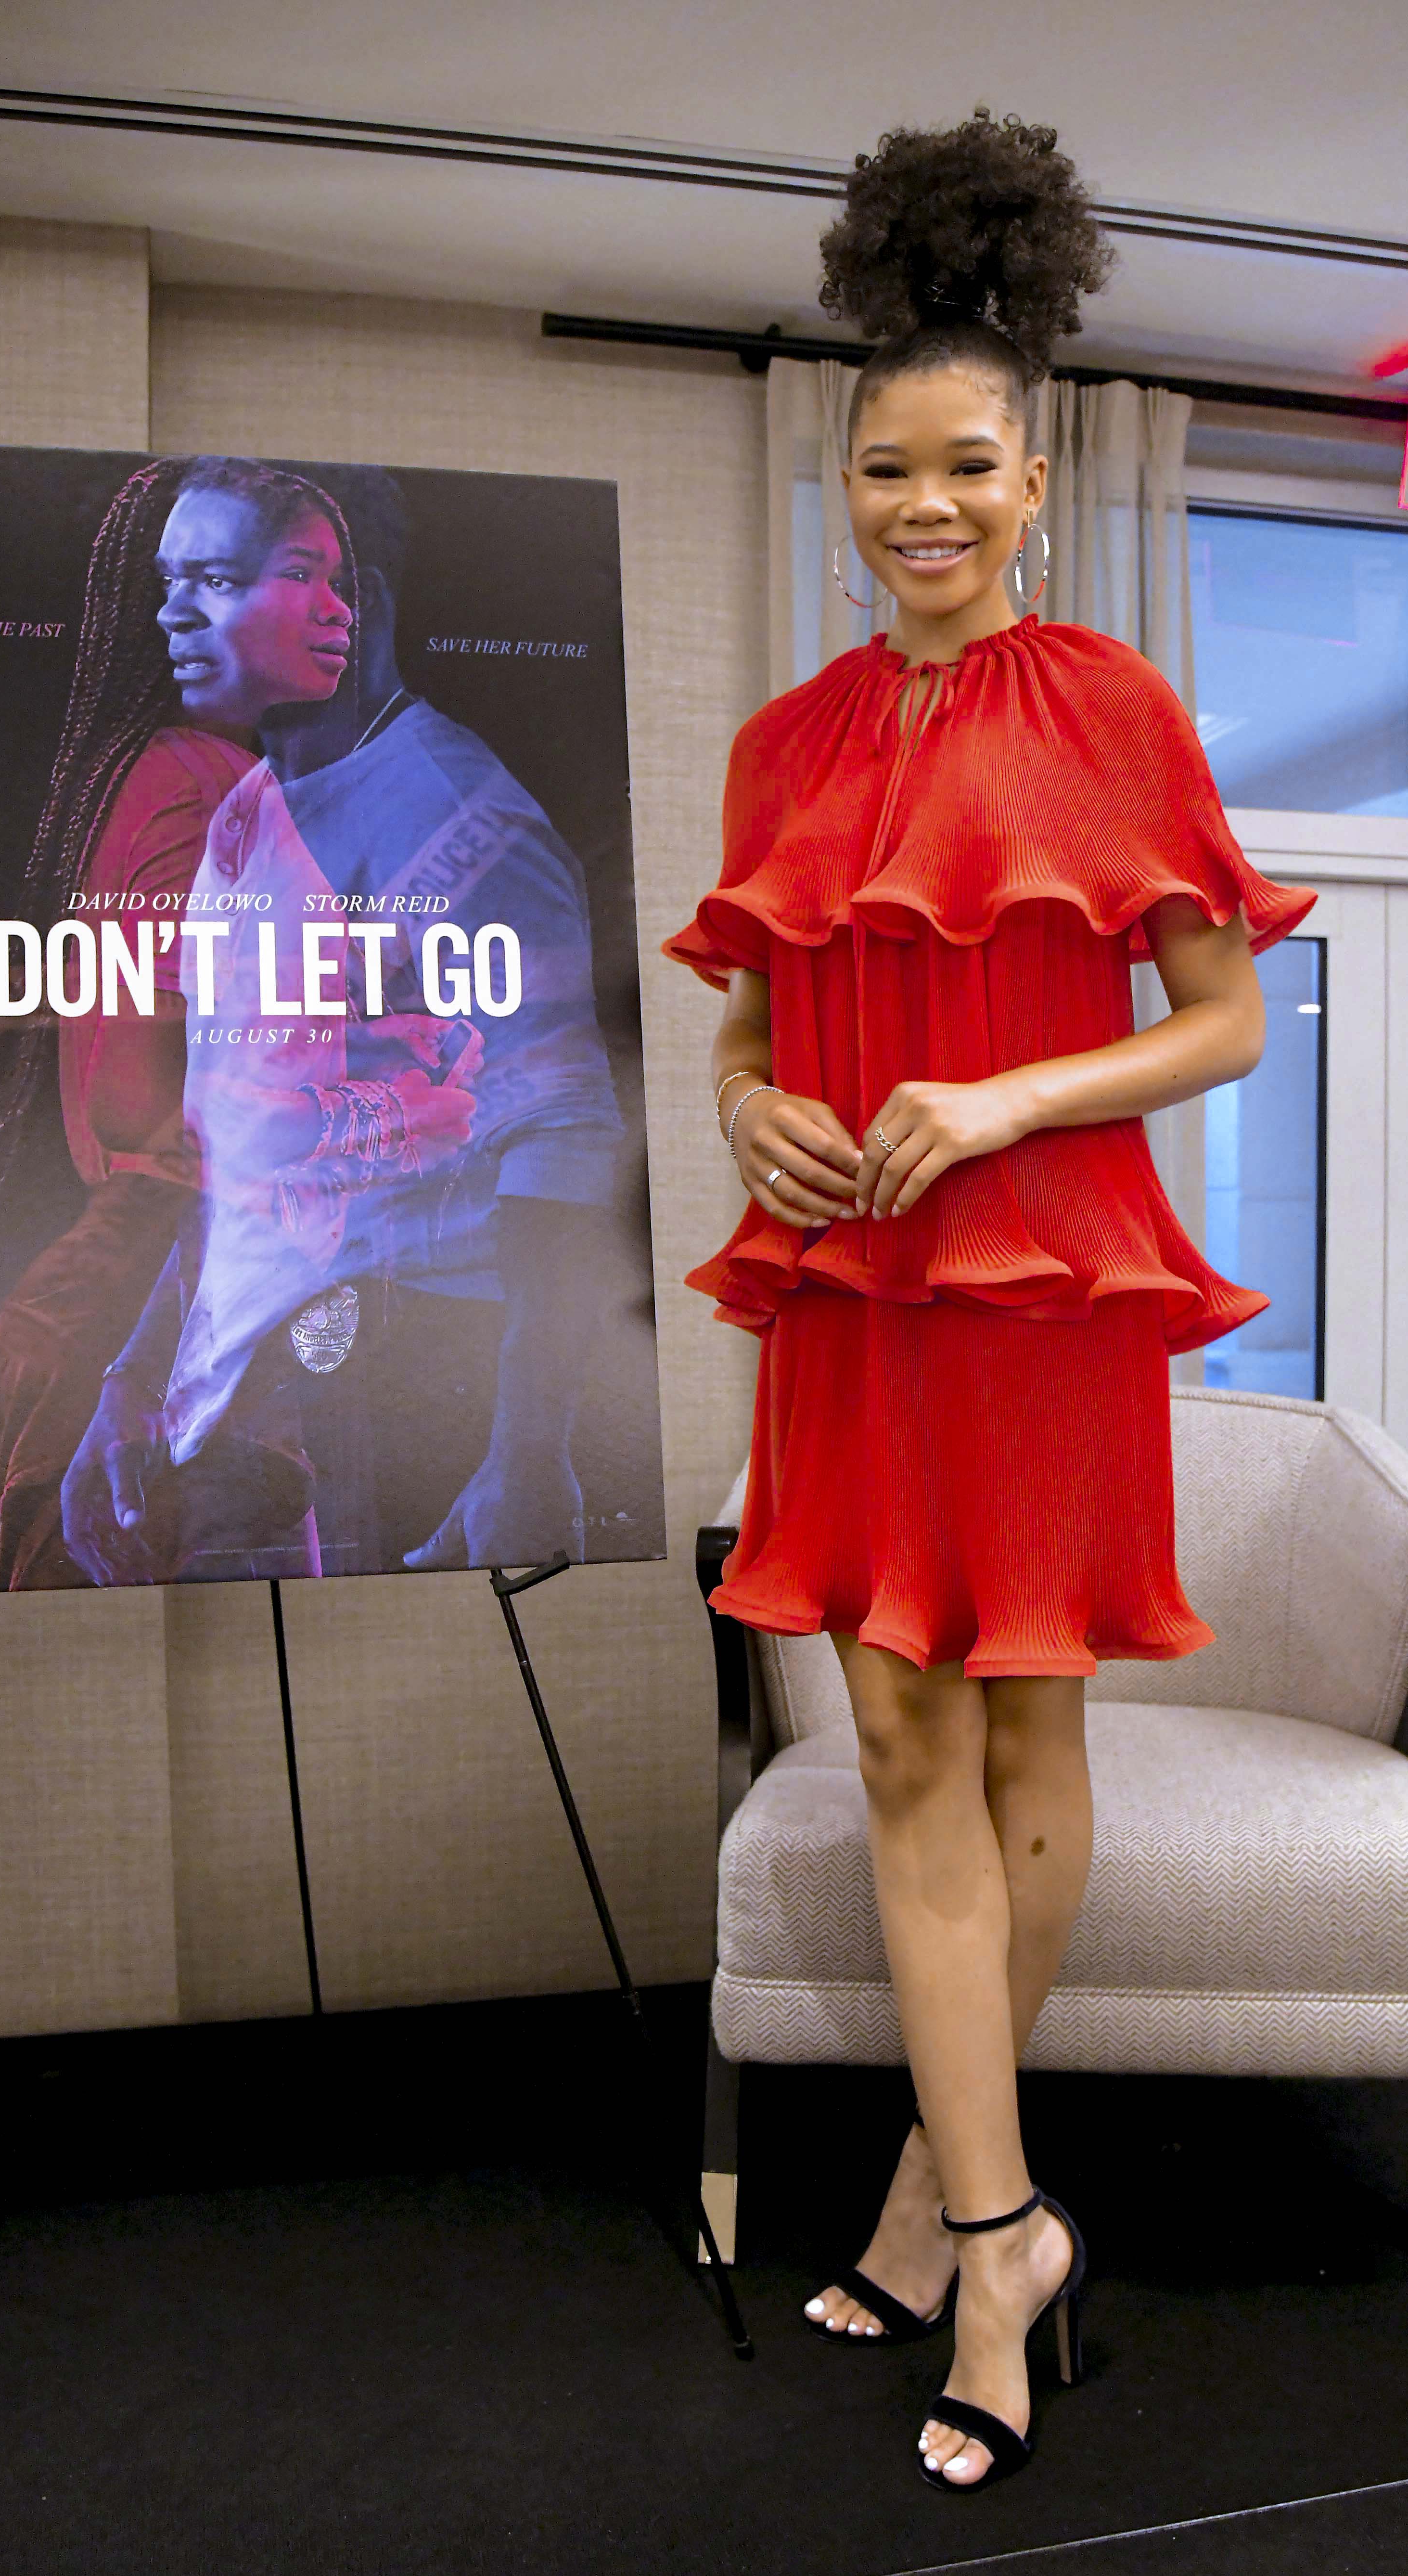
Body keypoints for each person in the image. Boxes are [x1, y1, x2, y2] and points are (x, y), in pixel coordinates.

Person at [664, 109, 1315, 2493]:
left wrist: (1012, 1093)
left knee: (1028, 1756)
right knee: (904, 1751)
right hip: (845, 1295)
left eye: (962, 471)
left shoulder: (1117, 712)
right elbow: (747, 1024)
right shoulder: (781, 748)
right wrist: (747, 1112)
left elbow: (1221, 1016)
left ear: (1032, 486)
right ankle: (999, 2213)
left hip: (1038, 1300)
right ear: (841, 486)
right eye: (878, 471)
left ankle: (947, 2213)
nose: (917, 508)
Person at [63, 464, 623, 1584]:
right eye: (172, 581)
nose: (172, 612)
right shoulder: (248, 812)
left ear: (345, 596)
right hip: (302, 1352)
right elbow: (247, 1150)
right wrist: (134, 1382)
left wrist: (527, 1446)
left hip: (443, 1376)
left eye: (216, 578)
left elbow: (569, 1137)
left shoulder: (454, 818)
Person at [0, 455, 461, 1588]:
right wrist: (402, 1097)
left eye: (341, 580)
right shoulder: (200, 791)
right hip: (154, 1334)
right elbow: (152, 1106)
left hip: (171, 1318)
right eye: (296, 575)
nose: (338, 608)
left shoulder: (214, 779)